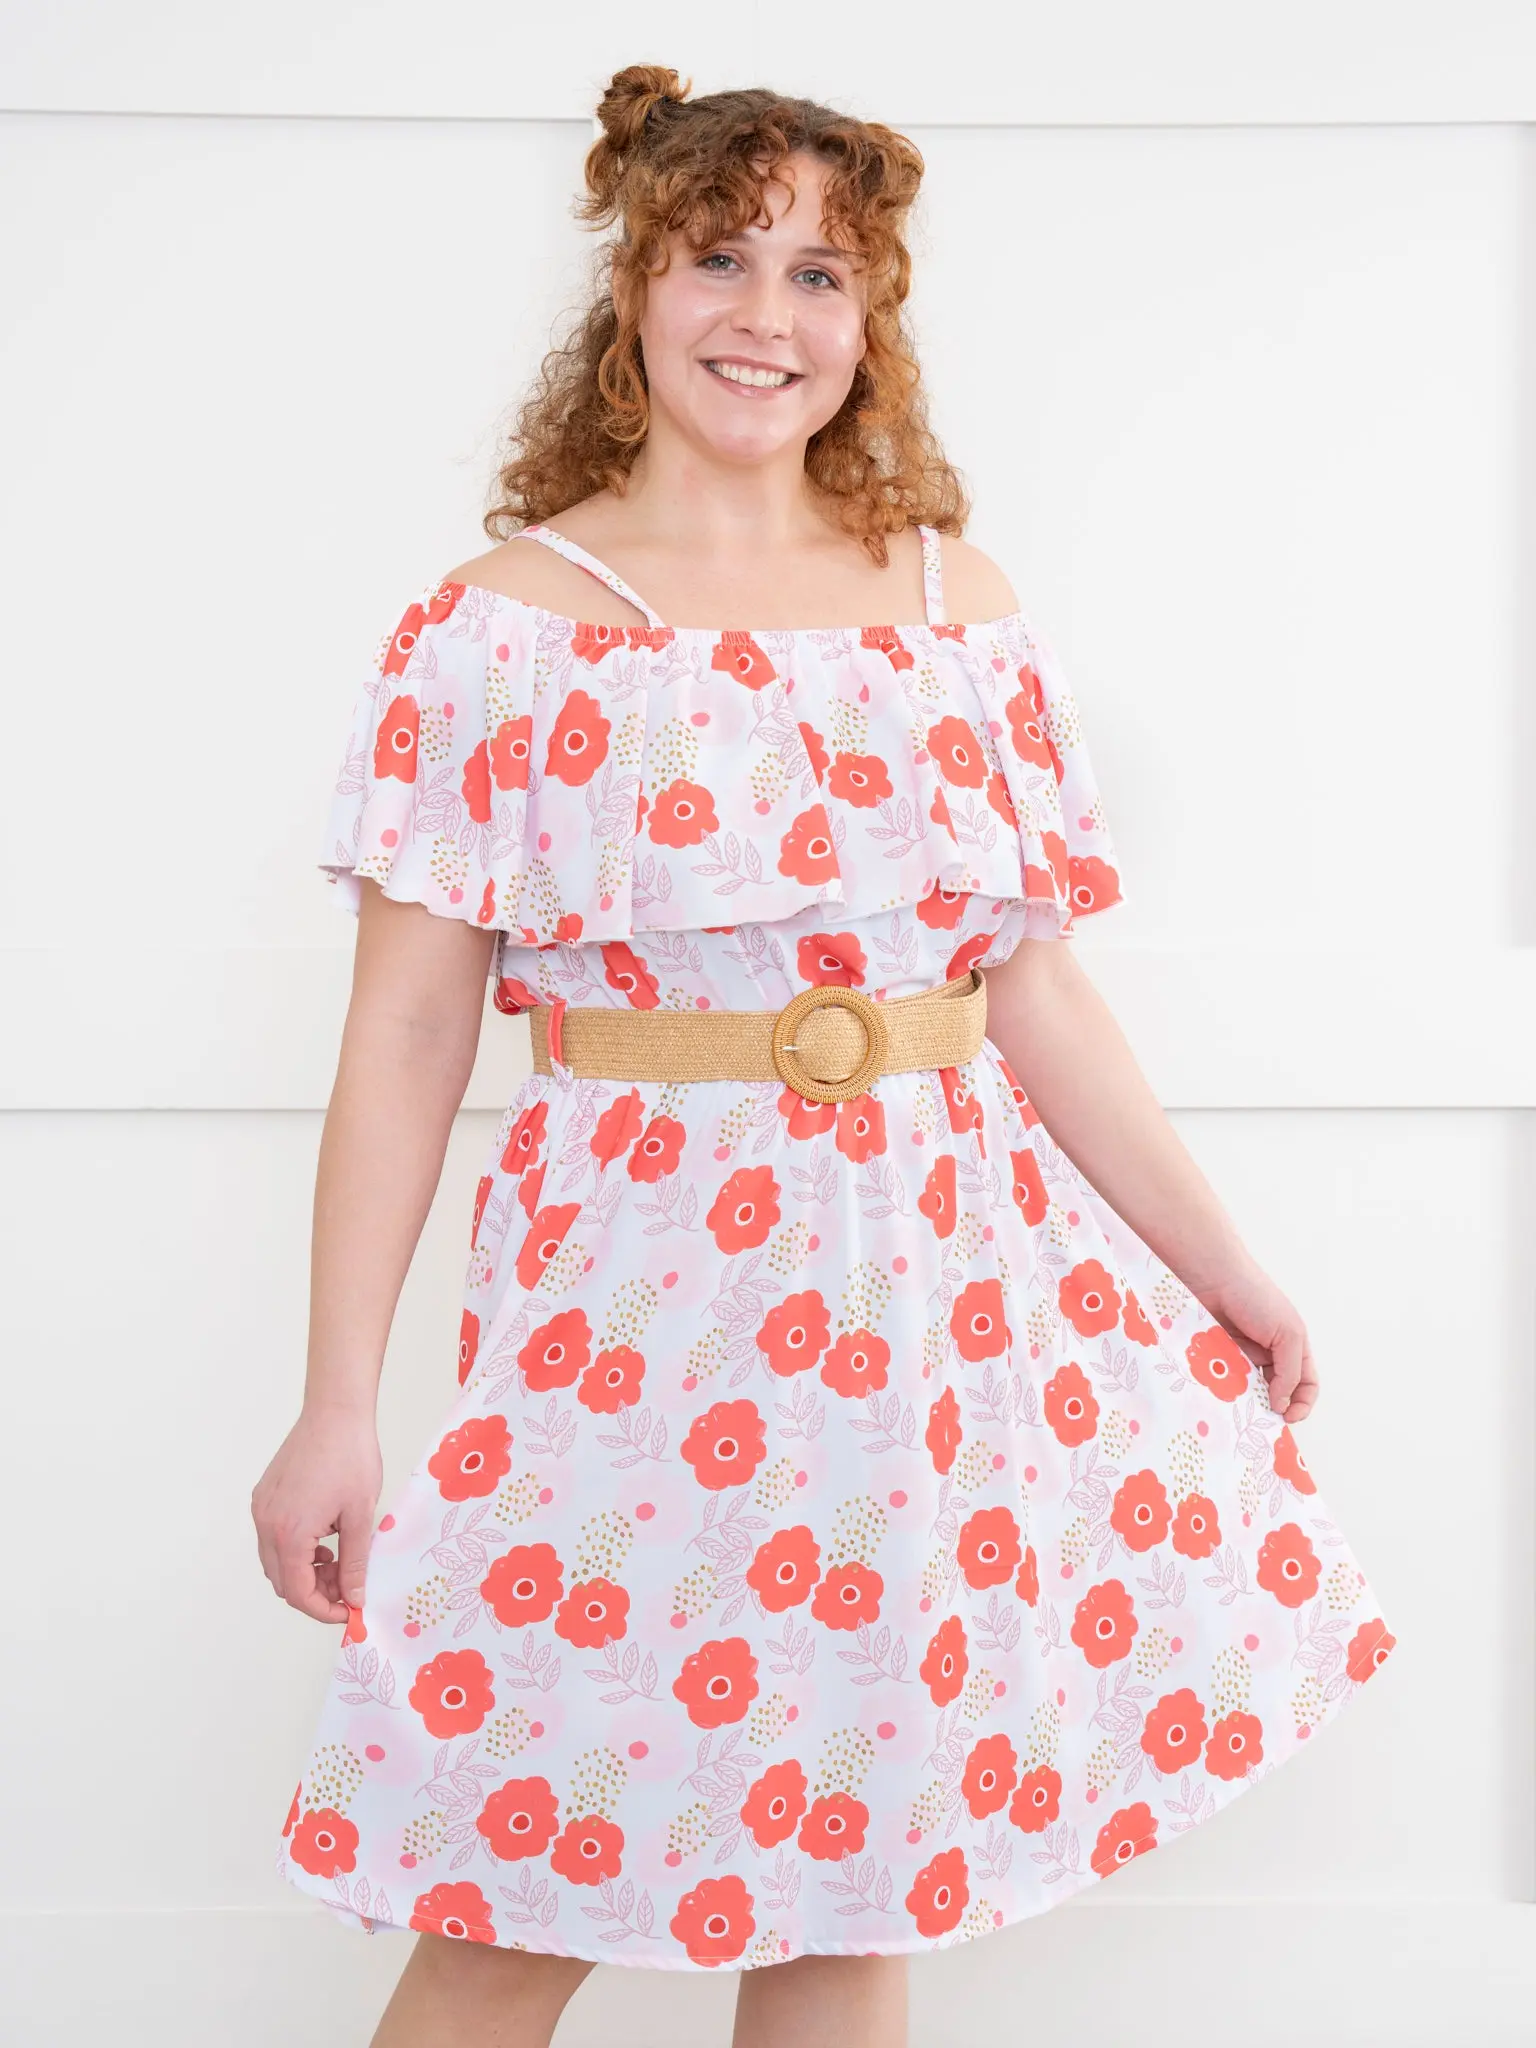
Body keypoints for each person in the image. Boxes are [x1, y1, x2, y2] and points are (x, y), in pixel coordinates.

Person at [253, 64, 1396, 2048]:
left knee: (851, 1881)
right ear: (634, 287)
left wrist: (1229, 1268)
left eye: (820, 274)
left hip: (929, 1319)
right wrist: (335, 1400)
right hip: (636, 1320)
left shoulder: (956, 610)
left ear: (873, 323)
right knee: (524, 1858)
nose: (764, 316)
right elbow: (413, 1026)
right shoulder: (502, 634)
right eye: (720, 259)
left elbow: (1033, 991)